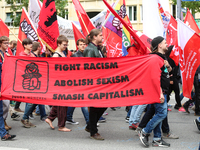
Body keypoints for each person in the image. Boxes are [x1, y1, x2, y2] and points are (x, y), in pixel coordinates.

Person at [138, 36, 171, 147]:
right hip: (159, 91)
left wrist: (168, 66)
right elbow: (154, 78)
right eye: (165, 43)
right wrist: (160, 92)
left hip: (162, 91)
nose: (167, 44)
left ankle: (157, 139)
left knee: (158, 113)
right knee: (162, 114)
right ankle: (145, 131)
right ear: (159, 45)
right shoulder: (154, 58)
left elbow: (166, 71)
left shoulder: (161, 57)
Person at [84, 29, 107, 140]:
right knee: (94, 107)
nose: (102, 37)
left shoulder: (97, 49)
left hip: (100, 82)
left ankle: (90, 126)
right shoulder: (89, 49)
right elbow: (88, 68)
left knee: (104, 103)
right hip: (94, 83)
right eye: (100, 35)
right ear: (94, 37)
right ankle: (93, 131)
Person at [45, 35, 71, 132]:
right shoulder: (56, 55)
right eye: (64, 44)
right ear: (59, 44)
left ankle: (50, 118)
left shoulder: (62, 53)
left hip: (64, 81)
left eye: (66, 44)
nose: (66, 46)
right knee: (62, 103)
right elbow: (54, 71)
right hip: (60, 83)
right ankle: (61, 126)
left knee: (59, 102)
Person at [66, 38, 89, 125]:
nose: (83, 46)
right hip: (79, 81)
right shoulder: (75, 56)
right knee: (84, 101)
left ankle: (68, 117)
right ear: (78, 46)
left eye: (84, 44)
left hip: (84, 80)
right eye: (81, 44)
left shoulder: (86, 54)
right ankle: (89, 121)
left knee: (74, 101)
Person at [0, 36, 16, 140]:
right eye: (5, 43)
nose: (7, 44)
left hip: (4, 85)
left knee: (2, 110)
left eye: (8, 43)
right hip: (1, 85)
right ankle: (3, 133)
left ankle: (3, 132)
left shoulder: (6, 54)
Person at [20, 38, 37, 128]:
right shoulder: (21, 55)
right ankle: (25, 118)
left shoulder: (31, 54)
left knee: (31, 101)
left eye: (31, 43)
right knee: (29, 101)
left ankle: (26, 118)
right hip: (25, 80)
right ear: (24, 45)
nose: (31, 45)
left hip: (32, 80)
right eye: (29, 44)